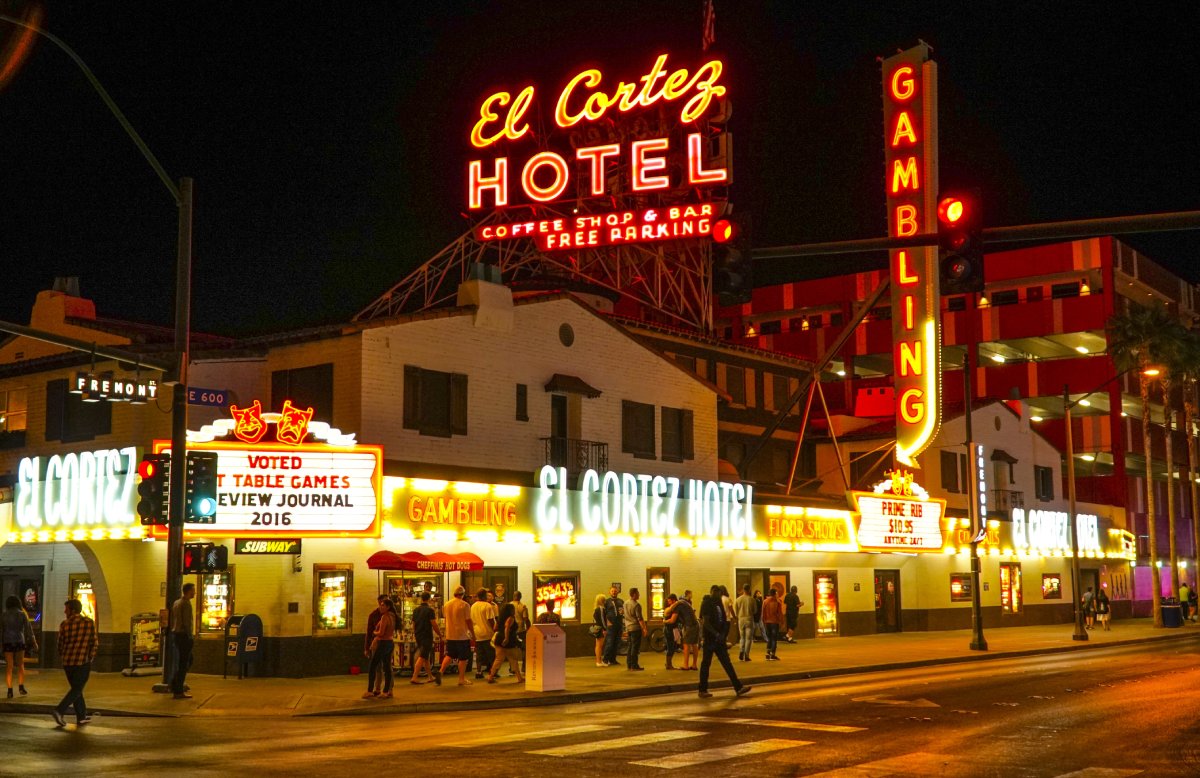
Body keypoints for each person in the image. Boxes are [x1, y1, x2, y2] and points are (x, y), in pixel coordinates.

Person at [50, 598, 98, 727]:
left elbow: (59, 644)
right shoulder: (89, 623)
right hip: (83, 661)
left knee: (77, 689)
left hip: (68, 662)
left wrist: (63, 656)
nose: (65, 611)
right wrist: (91, 656)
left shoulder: (64, 624)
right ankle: (59, 710)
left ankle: (81, 716)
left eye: (66, 609)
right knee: (77, 689)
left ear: (72, 610)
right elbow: (94, 642)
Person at [698, 585, 750, 699]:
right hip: (710, 639)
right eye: (716, 593)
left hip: (719, 639)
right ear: (712, 592)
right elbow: (705, 622)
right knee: (706, 664)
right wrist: (716, 634)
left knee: (727, 663)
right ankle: (702, 689)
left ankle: (738, 687)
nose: (718, 595)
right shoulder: (707, 603)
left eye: (719, 593)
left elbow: (724, 619)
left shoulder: (719, 603)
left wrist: (723, 634)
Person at [439, 586, 475, 685]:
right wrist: (473, 634)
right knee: (463, 658)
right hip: (462, 635)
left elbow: (446, 619)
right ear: (462, 594)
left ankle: (441, 671)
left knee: (450, 655)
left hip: (450, 635)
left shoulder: (446, 605)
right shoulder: (465, 605)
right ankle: (461, 679)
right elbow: (468, 621)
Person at [3, 595, 37, 698]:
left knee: (9, 666)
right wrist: (34, 642)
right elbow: (29, 630)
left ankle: (10, 690)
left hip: (7, 641)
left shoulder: (4, 615)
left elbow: (1, 630)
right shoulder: (22, 614)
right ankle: (21, 687)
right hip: (19, 641)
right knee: (20, 664)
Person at [169, 582, 196, 700]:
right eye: (193, 590)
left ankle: (175, 684)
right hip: (184, 636)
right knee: (185, 663)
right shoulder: (186, 604)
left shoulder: (176, 602)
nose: (194, 592)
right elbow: (186, 622)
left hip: (176, 635)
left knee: (184, 661)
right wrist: (190, 637)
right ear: (189, 591)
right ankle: (177, 688)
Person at [366, 598, 397, 698]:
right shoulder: (392, 616)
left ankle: (370, 690)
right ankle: (386, 690)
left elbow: (381, 633)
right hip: (390, 643)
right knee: (387, 667)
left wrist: (374, 633)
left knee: (373, 666)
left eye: (383, 605)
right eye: (380, 605)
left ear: (388, 607)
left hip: (383, 643)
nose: (381, 606)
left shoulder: (384, 617)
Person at [410, 591, 443, 686]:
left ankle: (430, 676)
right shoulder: (430, 610)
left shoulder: (416, 610)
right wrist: (440, 634)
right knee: (423, 656)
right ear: (429, 599)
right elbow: (434, 624)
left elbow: (413, 624)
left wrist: (415, 633)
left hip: (418, 635)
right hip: (427, 636)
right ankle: (414, 677)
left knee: (426, 657)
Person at [486, 603, 524, 684]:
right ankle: (519, 678)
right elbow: (507, 627)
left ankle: (490, 676)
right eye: (513, 609)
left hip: (499, 639)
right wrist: (506, 638)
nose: (514, 611)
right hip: (508, 641)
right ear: (510, 610)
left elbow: (495, 628)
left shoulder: (500, 618)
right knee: (513, 659)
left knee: (499, 659)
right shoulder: (510, 618)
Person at [362, 594, 390, 697]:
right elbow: (369, 632)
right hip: (380, 643)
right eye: (381, 603)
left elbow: (379, 632)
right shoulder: (374, 615)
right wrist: (367, 647)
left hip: (383, 643)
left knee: (386, 667)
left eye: (385, 604)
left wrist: (376, 635)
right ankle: (378, 688)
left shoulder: (389, 616)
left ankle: (387, 689)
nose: (382, 606)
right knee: (379, 666)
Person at [469, 588, 497, 680]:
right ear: (484, 596)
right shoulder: (487, 606)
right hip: (487, 632)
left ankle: (479, 671)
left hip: (477, 633)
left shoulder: (473, 606)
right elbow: (490, 620)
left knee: (479, 654)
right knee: (491, 654)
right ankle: (492, 672)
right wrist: (494, 629)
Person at [623, 587, 647, 670]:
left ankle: (629, 664)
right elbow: (639, 618)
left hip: (628, 627)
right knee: (635, 647)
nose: (639, 595)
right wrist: (644, 628)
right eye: (638, 593)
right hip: (635, 628)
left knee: (630, 646)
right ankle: (634, 665)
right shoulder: (636, 605)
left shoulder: (625, 603)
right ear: (634, 594)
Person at [676, 590, 699, 671]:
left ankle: (685, 665)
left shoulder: (679, 605)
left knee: (686, 644)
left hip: (689, 626)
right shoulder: (688, 604)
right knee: (694, 644)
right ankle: (694, 665)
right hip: (696, 624)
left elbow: (673, 618)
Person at [602, 586, 624, 667]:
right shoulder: (607, 602)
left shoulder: (621, 601)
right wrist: (607, 622)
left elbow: (622, 611)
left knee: (617, 643)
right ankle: (605, 659)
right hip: (611, 625)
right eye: (612, 591)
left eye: (615, 591)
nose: (614, 592)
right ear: (609, 592)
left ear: (617, 592)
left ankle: (613, 659)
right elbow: (604, 613)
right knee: (610, 642)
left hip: (619, 624)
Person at [762, 587, 783, 660]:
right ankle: (773, 654)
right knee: (774, 638)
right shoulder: (777, 602)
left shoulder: (765, 601)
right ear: (774, 594)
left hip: (767, 622)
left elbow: (763, 612)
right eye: (776, 593)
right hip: (774, 622)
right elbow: (780, 613)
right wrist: (781, 622)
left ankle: (767, 653)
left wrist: (763, 620)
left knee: (769, 638)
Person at [735, 584, 755, 661]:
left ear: (743, 589)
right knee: (748, 638)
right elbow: (755, 610)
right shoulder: (752, 599)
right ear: (749, 589)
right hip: (749, 618)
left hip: (740, 619)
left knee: (742, 637)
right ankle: (746, 655)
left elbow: (736, 611)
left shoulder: (738, 599)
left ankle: (741, 651)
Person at [662, 593, 681, 669]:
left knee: (672, 646)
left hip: (672, 629)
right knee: (671, 647)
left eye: (670, 601)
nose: (668, 602)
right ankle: (669, 664)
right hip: (669, 629)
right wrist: (665, 621)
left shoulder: (673, 608)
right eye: (668, 601)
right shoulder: (669, 609)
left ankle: (668, 664)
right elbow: (672, 621)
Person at [591, 593, 608, 666]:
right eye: (604, 599)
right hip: (600, 628)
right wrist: (605, 628)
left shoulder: (596, 609)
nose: (605, 601)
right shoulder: (601, 609)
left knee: (598, 645)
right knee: (599, 645)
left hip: (597, 627)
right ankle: (598, 661)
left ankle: (599, 661)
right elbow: (602, 620)